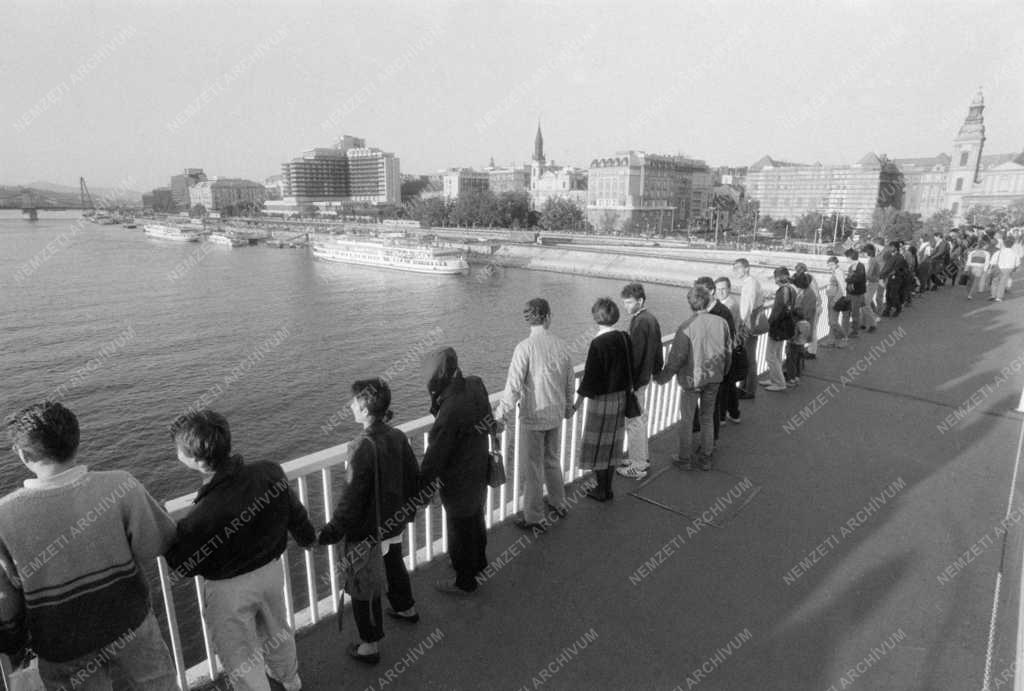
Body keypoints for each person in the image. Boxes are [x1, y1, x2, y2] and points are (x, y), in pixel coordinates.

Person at [0, 402, 178, 690]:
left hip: (61, 643)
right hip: (129, 623)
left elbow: (5, 600)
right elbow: (156, 543)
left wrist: (14, 643)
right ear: (76, 440)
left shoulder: (4, 515)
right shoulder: (121, 486)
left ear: (23, 454)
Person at [166, 410, 315, 690]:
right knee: (277, 633)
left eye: (178, 450)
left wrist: (169, 534)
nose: (176, 454)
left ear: (196, 460)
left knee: (240, 655)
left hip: (228, 589)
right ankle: (290, 680)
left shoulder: (201, 516)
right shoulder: (269, 471)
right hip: (271, 572)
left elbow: (183, 565)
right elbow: (294, 511)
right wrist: (307, 538)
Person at [317, 379, 420, 664]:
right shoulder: (397, 436)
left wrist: (331, 531)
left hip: (369, 530)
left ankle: (370, 645)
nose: (350, 405)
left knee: (364, 584)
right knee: (393, 562)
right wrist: (408, 512)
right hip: (393, 521)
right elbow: (413, 476)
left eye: (353, 402)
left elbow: (351, 498)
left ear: (364, 409)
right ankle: (406, 609)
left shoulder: (361, 446)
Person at [419, 347, 495, 593]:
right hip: (479, 464)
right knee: (475, 516)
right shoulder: (475, 384)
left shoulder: (450, 408)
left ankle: (465, 582)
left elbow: (435, 455)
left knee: (459, 526)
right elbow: (488, 419)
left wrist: (420, 489)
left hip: (458, 476)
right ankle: (479, 562)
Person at [494, 298, 575, 527]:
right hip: (555, 414)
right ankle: (559, 503)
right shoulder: (561, 345)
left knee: (532, 468)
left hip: (533, 416)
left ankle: (534, 516)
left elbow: (513, 388)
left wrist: (500, 415)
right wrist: (568, 407)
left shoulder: (524, 348)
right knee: (552, 460)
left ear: (528, 320)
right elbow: (570, 382)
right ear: (548, 317)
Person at [655, 286, 731, 471]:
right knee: (707, 417)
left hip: (692, 380)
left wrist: (662, 378)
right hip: (714, 377)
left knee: (687, 420)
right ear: (708, 300)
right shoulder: (721, 323)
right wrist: (724, 371)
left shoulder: (686, 327)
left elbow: (677, 358)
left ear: (690, 303)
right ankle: (706, 458)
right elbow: (728, 351)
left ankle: (684, 458)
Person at [575, 298, 633, 499]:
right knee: (612, 446)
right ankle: (608, 488)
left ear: (596, 317)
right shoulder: (624, 337)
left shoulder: (598, 343)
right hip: (620, 398)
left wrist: (575, 404)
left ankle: (601, 490)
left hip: (601, 401)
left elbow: (590, 379)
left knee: (598, 446)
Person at [617, 283, 663, 480]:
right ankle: (641, 457)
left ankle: (638, 464)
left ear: (640, 301)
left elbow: (634, 357)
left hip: (636, 381)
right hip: (645, 377)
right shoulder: (651, 319)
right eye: (624, 302)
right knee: (639, 419)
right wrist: (657, 370)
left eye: (629, 302)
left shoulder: (639, 322)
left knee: (634, 421)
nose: (626, 306)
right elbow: (658, 349)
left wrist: (628, 383)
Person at [696, 276, 734, 443]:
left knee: (711, 407)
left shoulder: (721, 312)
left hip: (714, 367)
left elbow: (727, 341)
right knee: (709, 407)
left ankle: (710, 444)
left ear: (711, 291)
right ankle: (709, 443)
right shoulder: (711, 310)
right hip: (710, 367)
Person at [715, 276, 746, 424]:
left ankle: (721, 417)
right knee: (730, 383)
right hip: (732, 347)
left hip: (726, 350)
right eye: (718, 289)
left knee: (723, 384)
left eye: (723, 289)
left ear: (729, 289)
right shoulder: (731, 302)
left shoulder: (728, 306)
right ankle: (734, 413)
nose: (720, 292)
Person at [732, 259, 764, 399]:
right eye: (734, 268)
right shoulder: (751, 282)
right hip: (751, 324)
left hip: (748, 325)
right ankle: (745, 387)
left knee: (749, 358)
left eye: (738, 268)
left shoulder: (750, 284)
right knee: (747, 356)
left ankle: (749, 390)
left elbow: (748, 307)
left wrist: (741, 325)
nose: (735, 271)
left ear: (746, 268)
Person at [762, 267, 797, 392]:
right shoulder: (791, 289)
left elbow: (779, 310)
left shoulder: (783, 290)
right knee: (776, 354)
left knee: (770, 356)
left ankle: (779, 382)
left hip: (778, 326)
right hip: (785, 326)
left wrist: (770, 323)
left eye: (776, 277)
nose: (775, 280)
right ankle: (774, 379)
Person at [791, 264, 821, 359]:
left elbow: (812, 295)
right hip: (815, 306)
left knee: (812, 330)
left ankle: (811, 352)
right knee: (812, 329)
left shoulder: (807, 279)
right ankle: (809, 350)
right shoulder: (809, 278)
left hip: (813, 307)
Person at [989, 236, 1021, 302]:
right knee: (1002, 283)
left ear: (1004, 244)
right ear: (1012, 245)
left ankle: (993, 295)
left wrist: (991, 268)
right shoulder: (1014, 253)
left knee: (994, 282)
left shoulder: (999, 252)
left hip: (998, 267)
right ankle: (999, 297)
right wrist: (1015, 268)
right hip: (1008, 269)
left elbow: (992, 261)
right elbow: (1017, 263)